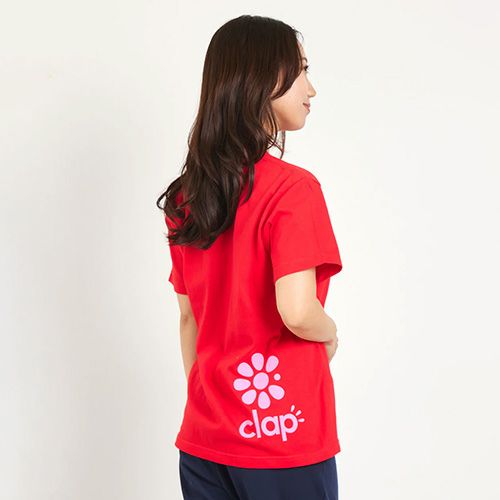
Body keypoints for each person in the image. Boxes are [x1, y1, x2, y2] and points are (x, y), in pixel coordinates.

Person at [156, 14, 343, 500]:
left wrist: (214, 406)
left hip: (205, 438)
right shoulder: (293, 190)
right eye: (302, 70)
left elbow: (188, 318)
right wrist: (330, 333)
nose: (311, 89)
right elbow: (297, 311)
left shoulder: (187, 196)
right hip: (281, 436)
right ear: (265, 77)